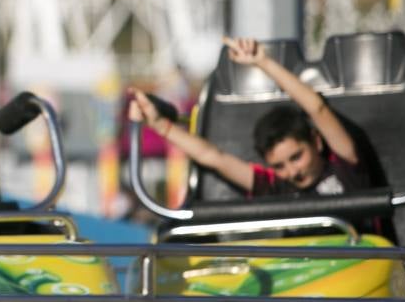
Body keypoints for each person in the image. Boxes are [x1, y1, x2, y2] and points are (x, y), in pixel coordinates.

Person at [127, 36, 368, 196]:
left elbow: (317, 108)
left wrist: (262, 62)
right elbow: (213, 157)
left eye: (297, 157)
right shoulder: (276, 186)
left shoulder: (346, 166)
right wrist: (161, 127)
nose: (293, 172)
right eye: (279, 166)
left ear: (316, 142)